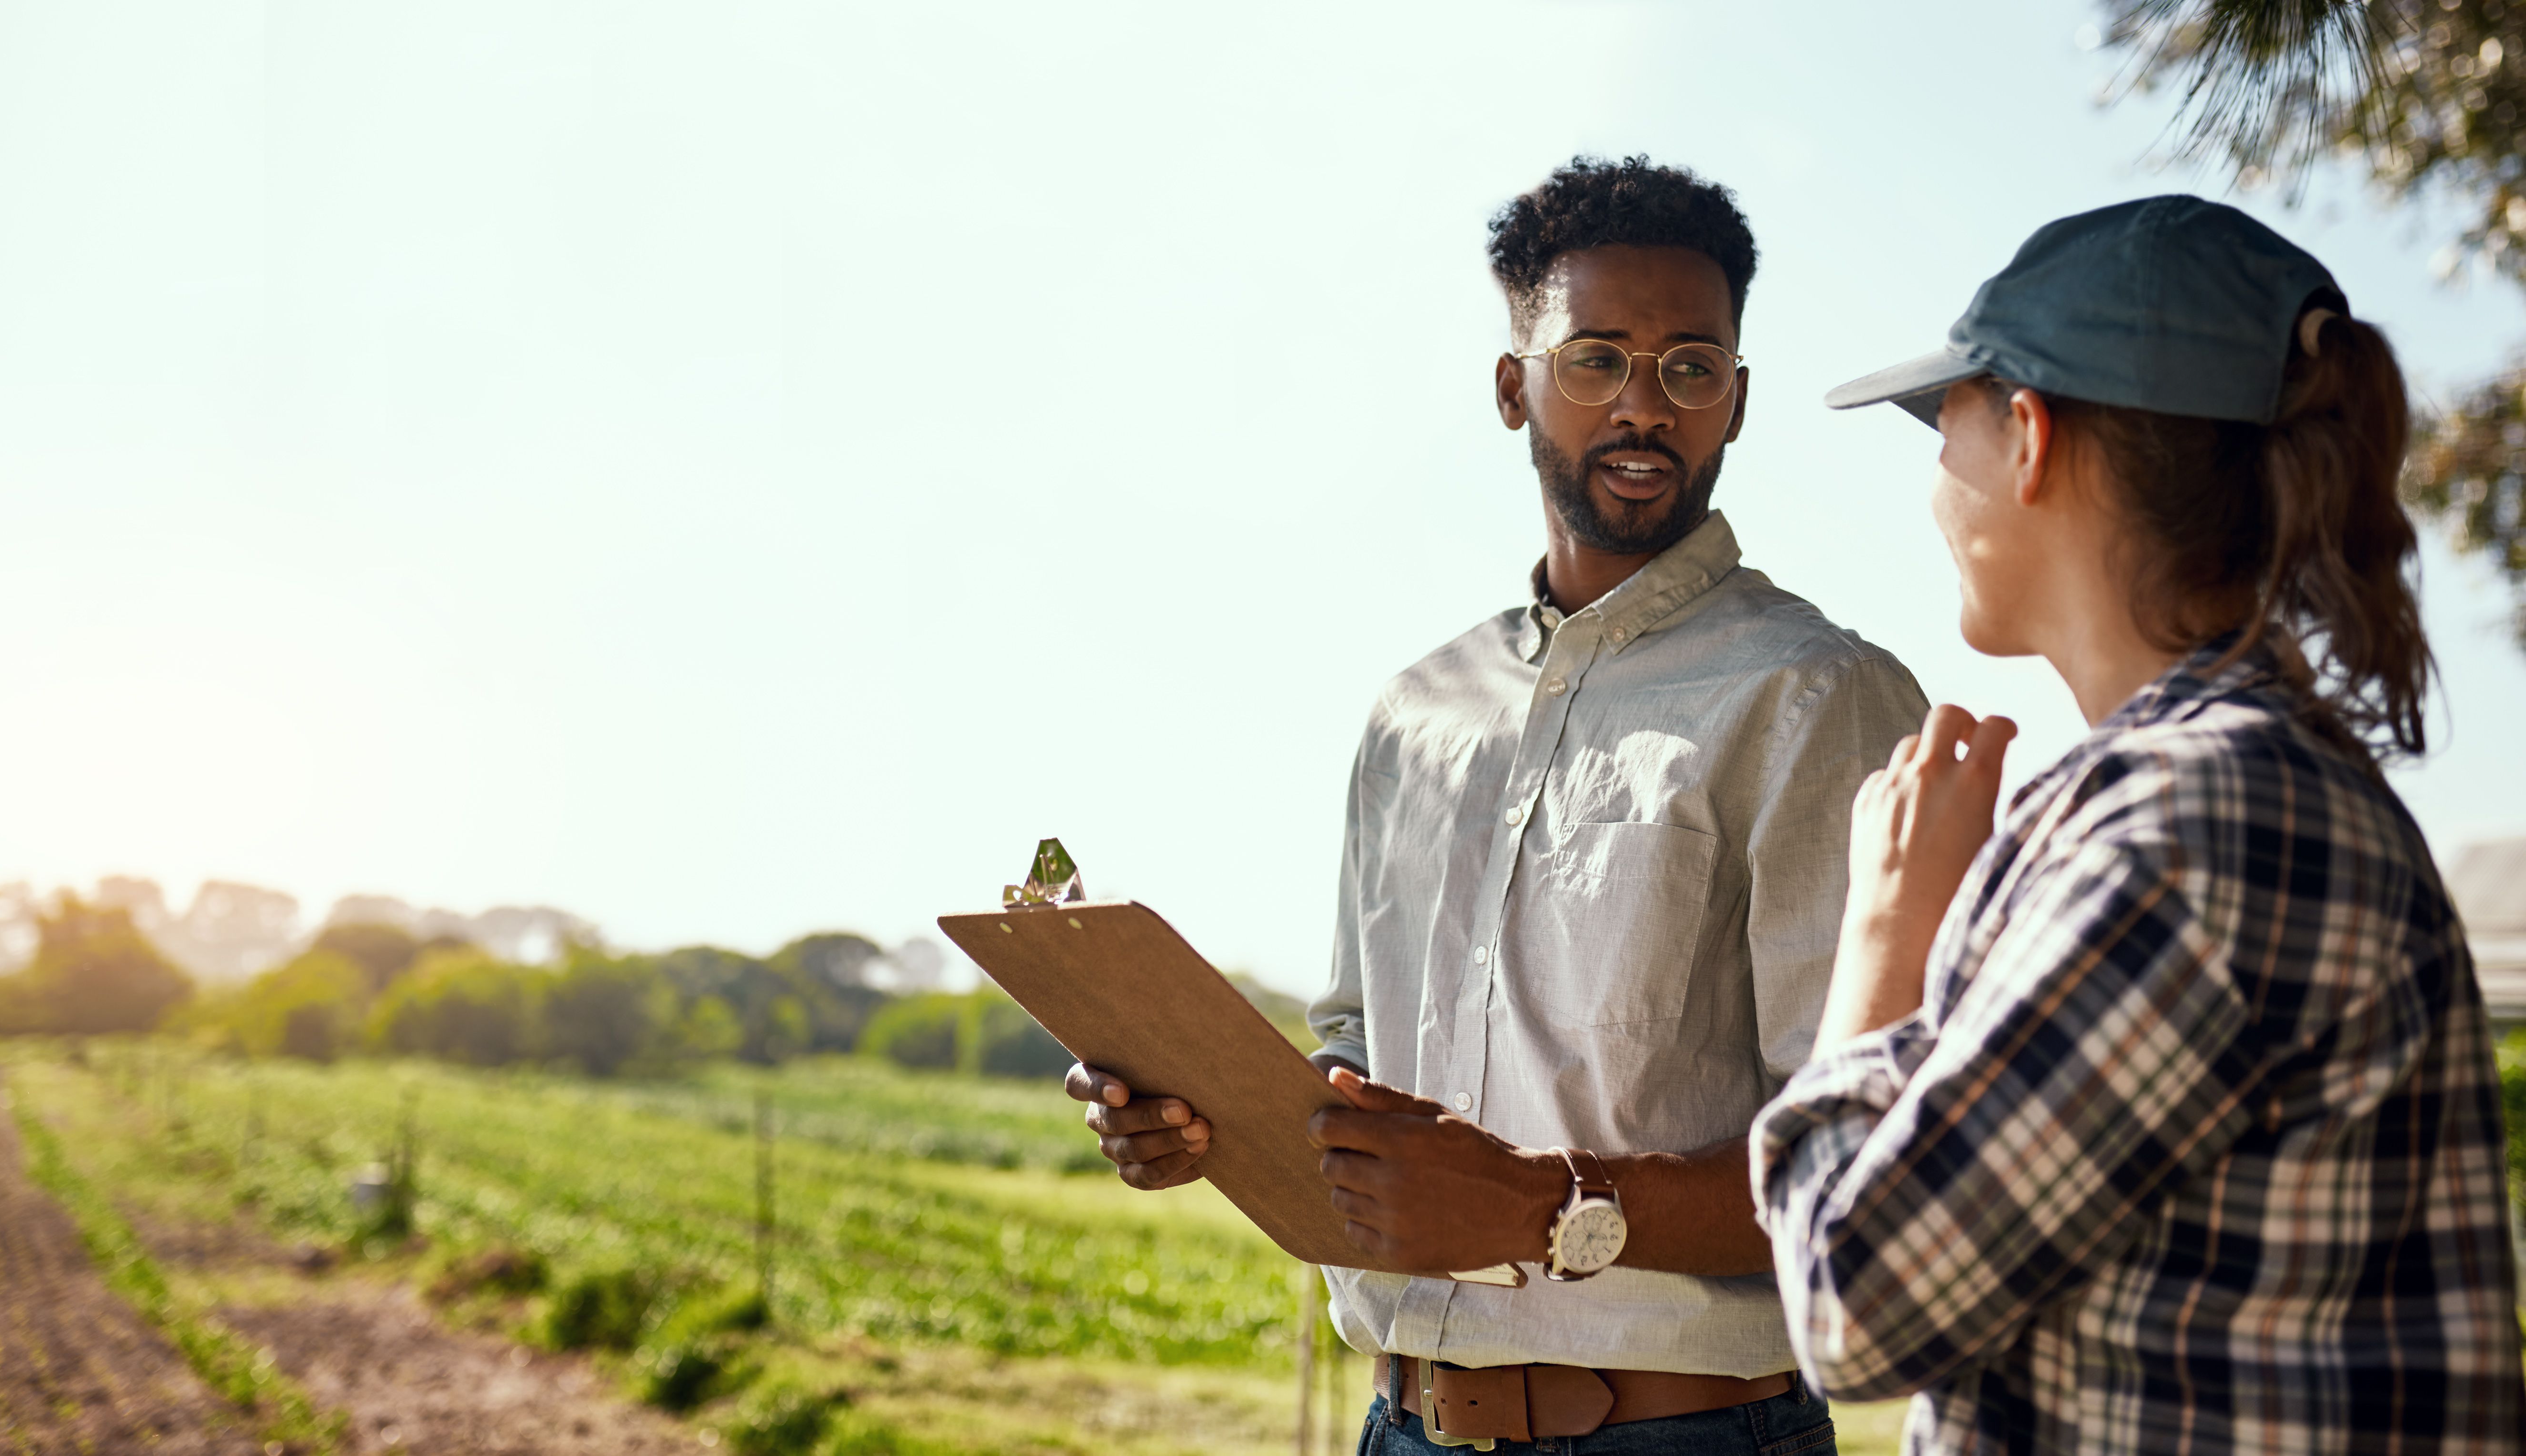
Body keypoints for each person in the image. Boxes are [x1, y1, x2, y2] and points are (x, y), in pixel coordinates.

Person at [1067, 155, 1927, 1454]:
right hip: (1399, 1426)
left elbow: (1870, 1161)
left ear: (1738, 403)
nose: (1645, 407)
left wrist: (1545, 1207)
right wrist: (1212, 1117)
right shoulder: (1418, 710)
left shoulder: (1819, 699)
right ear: (1512, 385)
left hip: (1683, 1438)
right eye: (1596, 361)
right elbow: (1358, 1052)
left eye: (1691, 369)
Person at [1751, 194, 2526, 1453]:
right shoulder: (2231, 794)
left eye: (1944, 415)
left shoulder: (2192, 825)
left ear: (2030, 435)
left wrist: (1887, 932)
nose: (1935, 474)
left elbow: (1854, 1308)